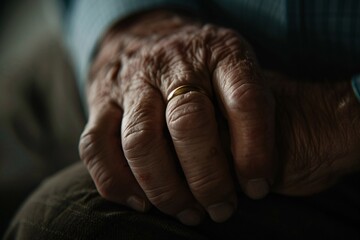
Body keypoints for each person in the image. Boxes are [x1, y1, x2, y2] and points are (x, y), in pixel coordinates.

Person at [4, 0, 360, 239]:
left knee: (59, 226)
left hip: (334, 137)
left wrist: (344, 117)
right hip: (149, 32)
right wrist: (129, 27)